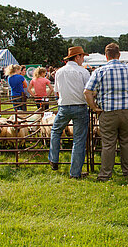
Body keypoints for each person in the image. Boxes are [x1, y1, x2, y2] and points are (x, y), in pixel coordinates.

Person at [84, 43, 128, 181]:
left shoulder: (99, 71)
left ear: (106, 56)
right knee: (127, 143)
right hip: (127, 112)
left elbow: (87, 92)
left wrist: (94, 107)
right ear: (119, 55)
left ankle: (105, 174)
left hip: (107, 113)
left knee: (108, 144)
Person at [48, 46, 91, 179]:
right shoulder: (83, 72)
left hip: (64, 107)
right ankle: (75, 173)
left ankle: (54, 159)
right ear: (77, 57)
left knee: (56, 131)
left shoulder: (59, 72)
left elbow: (57, 91)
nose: (83, 59)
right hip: (80, 106)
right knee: (78, 139)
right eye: (82, 57)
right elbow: (87, 90)